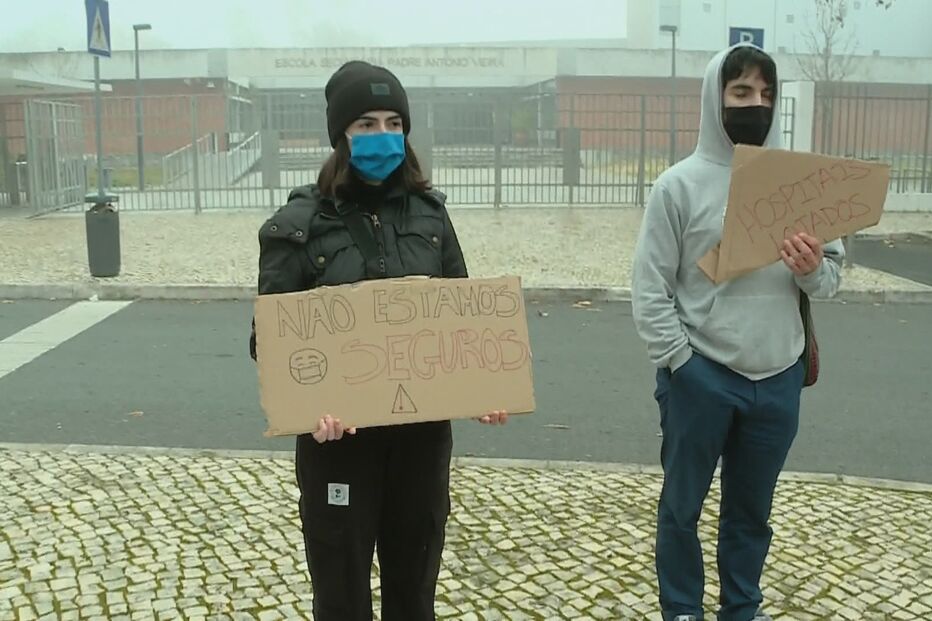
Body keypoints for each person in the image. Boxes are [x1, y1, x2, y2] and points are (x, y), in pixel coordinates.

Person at [248, 61, 508, 621]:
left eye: (394, 122)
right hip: (338, 447)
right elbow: (268, 343)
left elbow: (460, 323)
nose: (382, 135)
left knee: (413, 593)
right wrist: (309, 406)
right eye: (366, 123)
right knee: (341, 597)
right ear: (341, 135)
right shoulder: (297, 225)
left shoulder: (432, 216)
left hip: (420, 443)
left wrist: (480, 386)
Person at [631, 43, 844, 621]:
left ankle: (740, 609)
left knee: (751, 514)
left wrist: (812, 269)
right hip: (700, 377)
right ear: (714, 97)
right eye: (741, 92)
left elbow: (832, 279)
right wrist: (681, 364)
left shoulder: (804, 182)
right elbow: (650, 291)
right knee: (682, 510)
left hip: (777, 380)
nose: (757, 105)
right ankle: (682, 610)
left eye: (767, 94)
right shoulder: (677, 187)